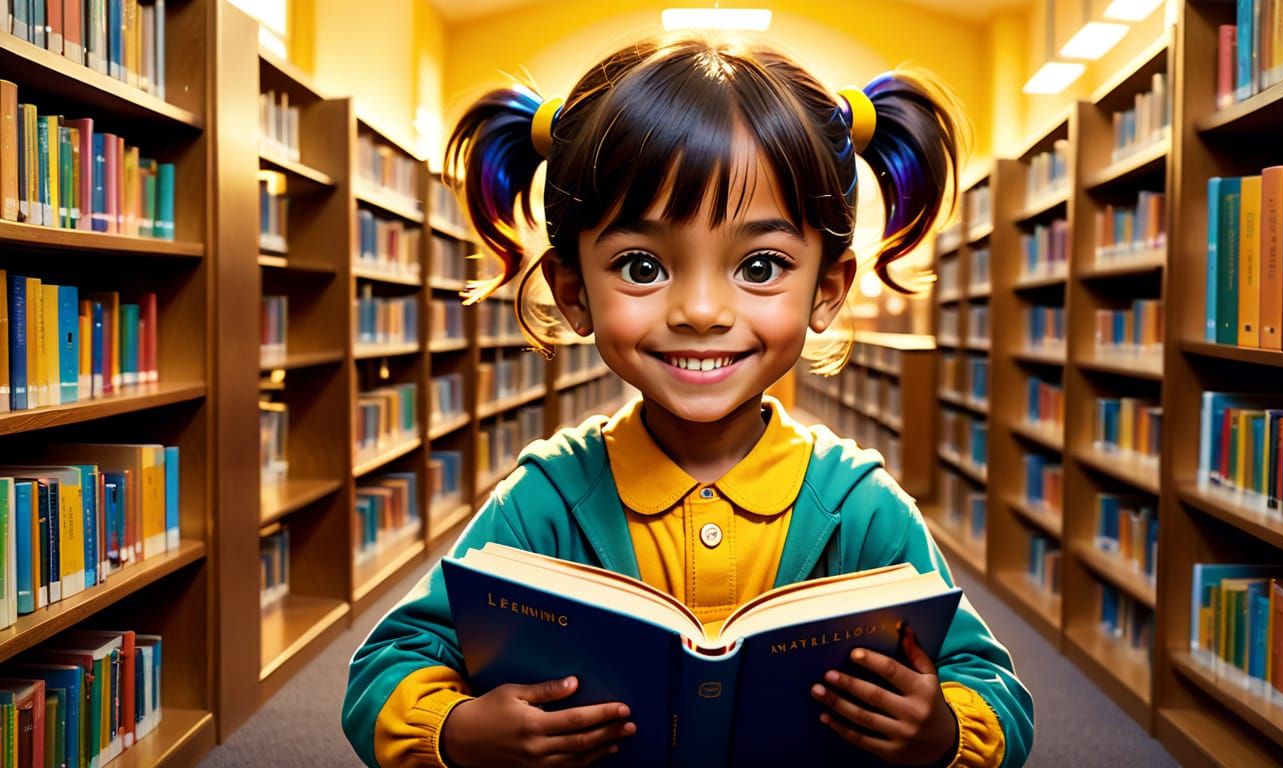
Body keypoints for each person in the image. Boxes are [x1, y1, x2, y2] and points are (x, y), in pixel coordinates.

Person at [341, 34, 1033, 768]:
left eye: (760, 265)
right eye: (642, 265)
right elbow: (386, 665)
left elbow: (995, 691)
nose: (700, 309)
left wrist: (943, 730)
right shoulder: (541, 501)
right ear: (574, 293)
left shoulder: (864, 509)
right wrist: (456, 731)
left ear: (826, 291)